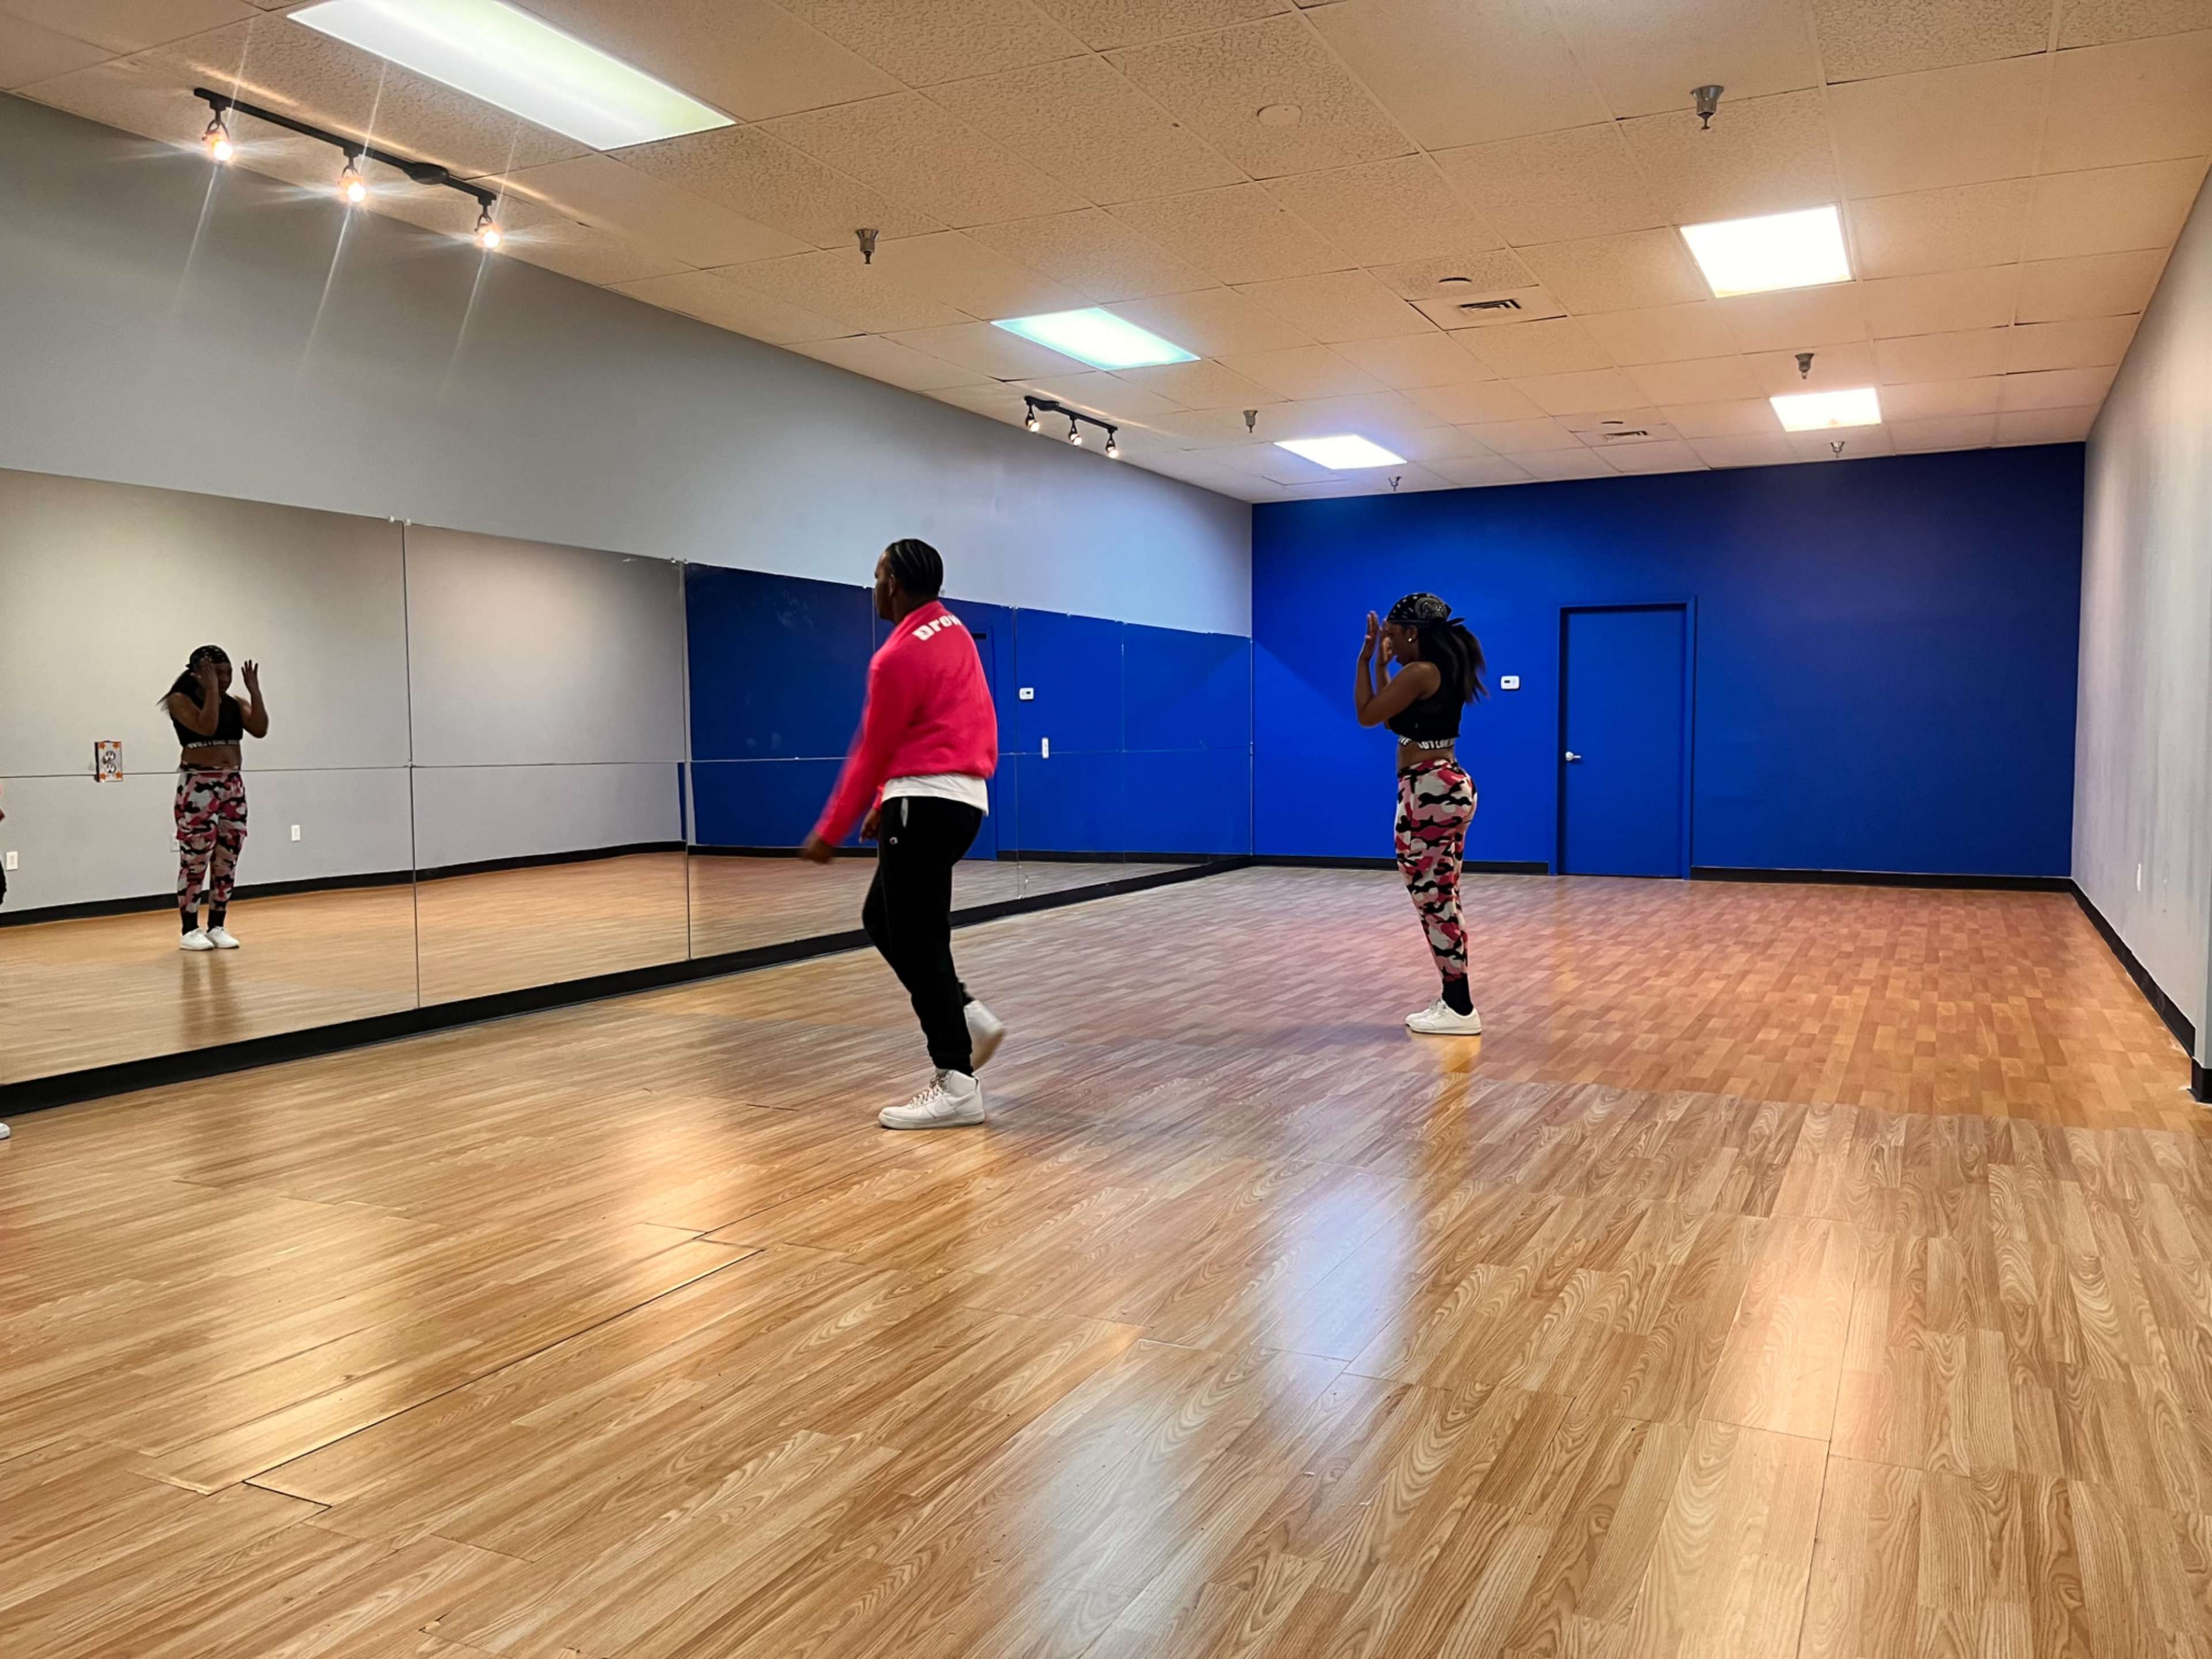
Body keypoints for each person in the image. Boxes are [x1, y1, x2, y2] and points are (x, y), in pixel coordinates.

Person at [801, 540, 1004, 1128]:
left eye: (876, 576)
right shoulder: (954, 631)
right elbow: (958, 721)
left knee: (919, 939)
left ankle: (957, 1082)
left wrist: (832, 828)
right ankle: (966, 1017)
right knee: (884, 919)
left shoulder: (893, 658)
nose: (873, 589)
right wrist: (887, 802)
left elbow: (873, 749)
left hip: (923, 802)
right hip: (960, 802)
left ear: (894, 584)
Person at [1354, 593, 1488, 1036]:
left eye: (1393, 635)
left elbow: (1368, 716)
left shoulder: (1419, 671)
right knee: (1443, 897)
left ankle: (1460, 1007)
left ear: (1413, 633)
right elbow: (1394, 719)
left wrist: (1365, 658)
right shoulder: (1438, 671)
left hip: (1428, 792)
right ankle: (1456, 1000)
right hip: (1449, 784)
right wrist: (1381, 669)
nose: (1389, 643)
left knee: (1433, 901)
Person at [163, 646, 267, 951]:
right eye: (216, 674)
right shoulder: (179, 701)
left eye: (227, 673)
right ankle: (189, 928)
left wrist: (255, 692)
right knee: (196, 857)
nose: (224, 680)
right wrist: (210, 691)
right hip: (198, 785)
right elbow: (206, 727)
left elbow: (260, 729)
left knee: (228, 856)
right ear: (196, 674)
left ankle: (218, 924)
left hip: (232, 784)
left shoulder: (235, 703)